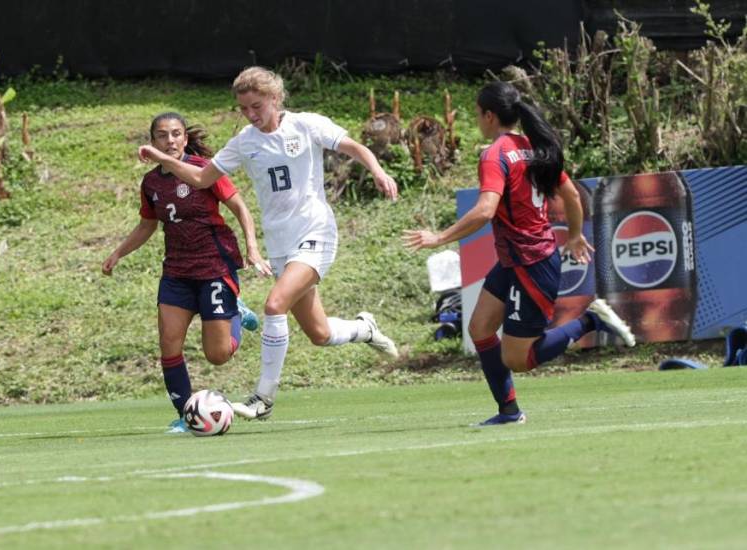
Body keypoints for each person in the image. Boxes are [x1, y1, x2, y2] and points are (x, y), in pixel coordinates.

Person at [137, 67, 400, 420]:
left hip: (315, 232)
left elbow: (353, 146)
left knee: (275, 306)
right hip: (281, 243)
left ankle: (263, 399)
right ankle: (364, 328)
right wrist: (165, 159)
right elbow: (201, 178)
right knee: (319, 333)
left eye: (256, 106)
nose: (251, 114)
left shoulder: (306, 124)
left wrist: (379, 172)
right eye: (244, 108)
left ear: (275, 99)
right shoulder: (246, 141)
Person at [403, 81, 635, 425]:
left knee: (518, 359)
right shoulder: (533, 147)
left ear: (490, 115)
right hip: (516, 260)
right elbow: (571, 196)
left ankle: (591, 320)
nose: (477, 120)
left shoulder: (495, 154)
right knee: (480, 328)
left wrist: (440, 237)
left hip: (532, 263)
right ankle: (509, 412)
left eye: (478, 113)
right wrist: (573, 236)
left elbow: (484, 210)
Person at [103, 112, 261, 433]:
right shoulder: (151, 183)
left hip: (214, 265)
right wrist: (118, 252)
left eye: (176, 134)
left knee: (217, 355)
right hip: (177, 271)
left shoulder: (205, 169)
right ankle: (185, 415)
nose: (170, 140)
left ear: (185, 139)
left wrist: (252, 248)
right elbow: (148, 224)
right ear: (153, 141)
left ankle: (234, 311)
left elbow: (240, 208)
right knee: (168, 343)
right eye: (162, 135)